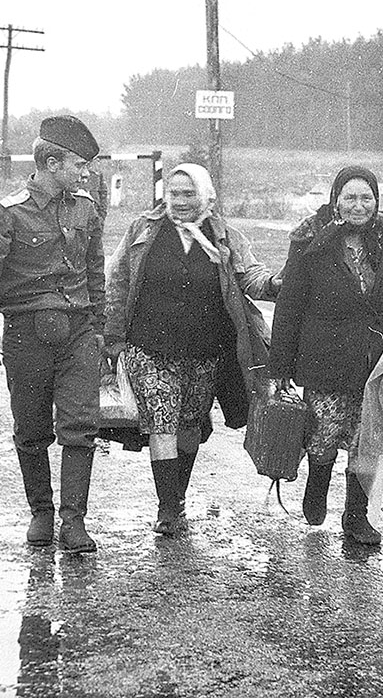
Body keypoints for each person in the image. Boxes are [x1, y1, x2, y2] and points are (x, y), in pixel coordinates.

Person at [103, 163, 279, 536]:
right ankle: (167, 509)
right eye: (174, 193)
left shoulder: (225, 237)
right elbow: (117, 282)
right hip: (148, 347)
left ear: (205, 196)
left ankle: (177, 498)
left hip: (204, 351)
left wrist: (281, 284)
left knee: (189, 427)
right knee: (162, 424)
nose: (180, 202)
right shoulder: (143, 231)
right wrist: (113, 340)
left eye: (188, 194)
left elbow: (252, 277)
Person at [0, 115, 104, 553]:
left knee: (80, 427)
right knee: (31, 429)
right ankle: (41, 514)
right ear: (50, 161)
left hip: (78, 334)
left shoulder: (85, 208)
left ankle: (73, 522)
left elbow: (96, 275)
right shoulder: (9, 214)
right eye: (78, 165)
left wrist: (100, 331)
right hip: (27, 337)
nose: (85, 174)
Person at [268, 165, 383, 545]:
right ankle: (316, 488)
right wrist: (280, 368)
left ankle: (356, 518)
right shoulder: (311, 240)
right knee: (324, 436)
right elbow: (289, 306)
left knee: (366, 440)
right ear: (336, 199)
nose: (358, 206)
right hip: (325, 359)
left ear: (376, 200)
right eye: (350, 197)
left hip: (374, 362)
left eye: (365, 197)